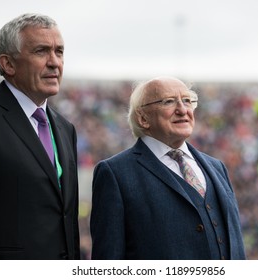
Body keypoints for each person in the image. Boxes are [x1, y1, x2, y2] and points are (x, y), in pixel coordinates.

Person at [0, 13, 80, 260]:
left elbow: (66, 217)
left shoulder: (66, 128)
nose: (55, 62)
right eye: (42, 51)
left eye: (60, 51)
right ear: (8, 64)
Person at [90, 76, 246, 259]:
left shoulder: (217, 167)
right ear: (143, 118)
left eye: (187, 101)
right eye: (169, 102)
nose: (182, 109)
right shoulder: (115, 173)